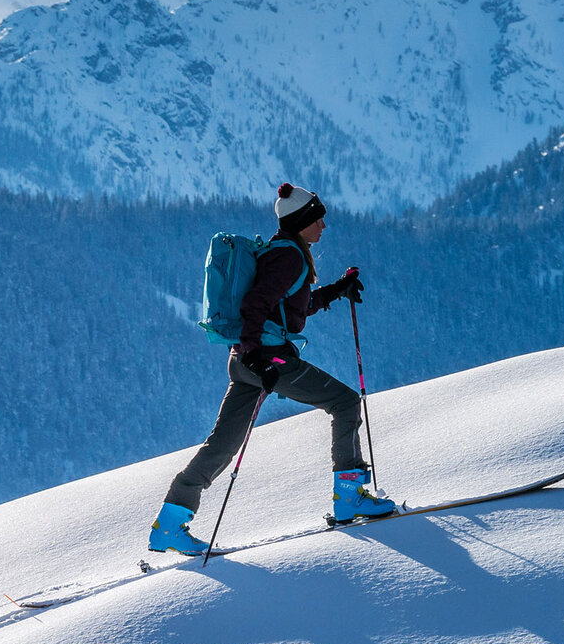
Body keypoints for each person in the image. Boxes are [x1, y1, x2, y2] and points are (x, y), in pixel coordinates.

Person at [150, 182, 396, 553]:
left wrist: (336, 289)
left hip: (246, 360)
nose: (323, 226)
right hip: (266, 359)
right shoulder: (289, 257)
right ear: (301, 221)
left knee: (222, 444)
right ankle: (349, 496)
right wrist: (255, 355)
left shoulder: (284, 252)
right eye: (318, 219)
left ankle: (168, 524)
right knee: (344, 402)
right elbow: (256, 305)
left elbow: (287, 308)